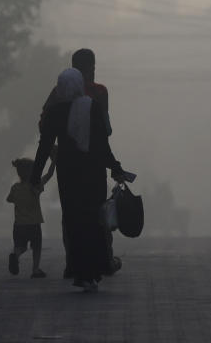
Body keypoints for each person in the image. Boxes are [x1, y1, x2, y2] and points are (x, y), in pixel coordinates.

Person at [33, 67, 126, 293]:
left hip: (69, 175)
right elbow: (102, 144)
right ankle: (92, 271)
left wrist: (35, 175)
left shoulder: (55, 112)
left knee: (74, 222)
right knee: (94, 222)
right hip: (93, 173)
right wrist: (115, 167)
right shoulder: (91, 107)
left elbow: (44, 146)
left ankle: (81, 271)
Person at [7, 148, 57, 278]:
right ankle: (35, 269)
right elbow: (49, 175)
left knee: (21, 246)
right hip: (34, 224)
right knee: (37, 247)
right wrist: (54, 162)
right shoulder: (35, 186)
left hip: (18, 225)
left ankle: (15, 255)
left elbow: (9, 199)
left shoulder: (15, 187)